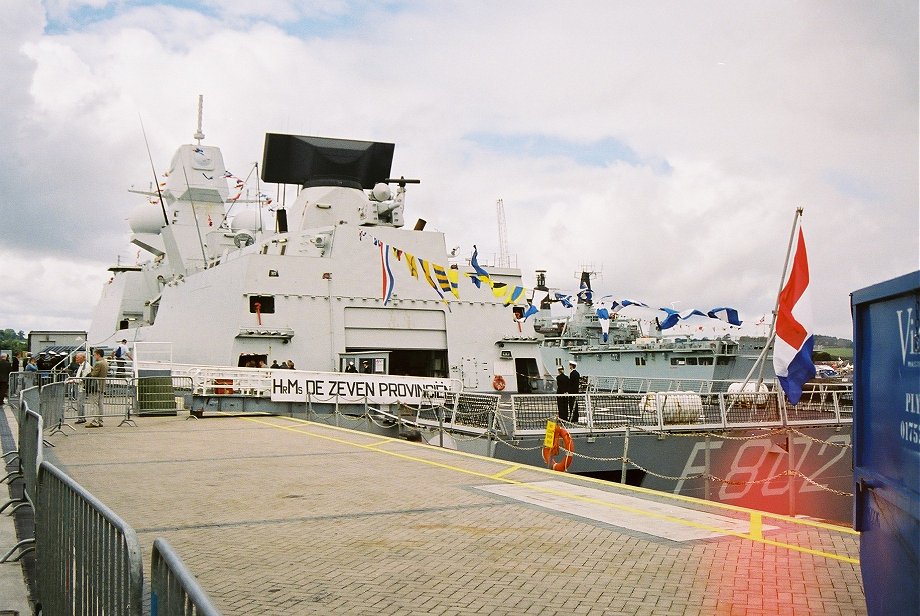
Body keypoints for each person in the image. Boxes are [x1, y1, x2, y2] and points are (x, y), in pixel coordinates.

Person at [85, 349, 108, 428]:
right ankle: (100, 420)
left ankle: (95, 421)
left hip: (96, 385)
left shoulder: (98, 363)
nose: (94, 357)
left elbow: (94, 374)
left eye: (95, 355)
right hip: (102, 385)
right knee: (100, 404)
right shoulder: (105, 362)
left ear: (98, 355)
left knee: (94, 404)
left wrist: (90, 372)